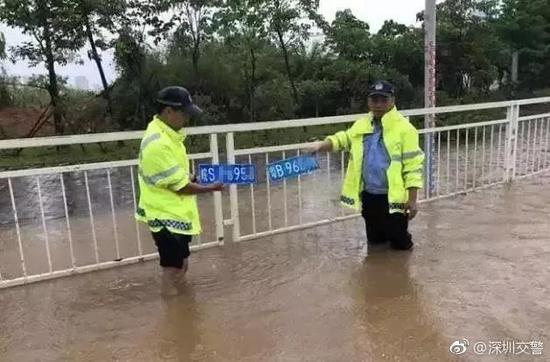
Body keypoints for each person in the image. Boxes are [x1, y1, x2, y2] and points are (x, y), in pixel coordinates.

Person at [310, 80, 424, 250]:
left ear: (392, 100)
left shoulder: (405, 129)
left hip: (393, 197)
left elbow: (413, 166)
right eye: (374, 100)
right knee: (375, 243)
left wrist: (412, 200)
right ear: (368, 101)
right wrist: (321, 145)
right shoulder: (362, 125)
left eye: (383, 100)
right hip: (369, 194)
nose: (378, 104)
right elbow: (343, 139)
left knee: (400, 243)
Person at [136, 86, 223, 277]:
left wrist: (190, 177)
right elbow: (181, 187)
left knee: (181, 265)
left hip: (174, 215)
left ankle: (181, 304)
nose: (187, 119)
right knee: (173, 271)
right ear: (168, 111)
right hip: (165, 218)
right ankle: (172, 305)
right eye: (184, 114)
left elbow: (174, 176)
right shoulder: (158, 143)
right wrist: (211, 188)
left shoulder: (169, 137)